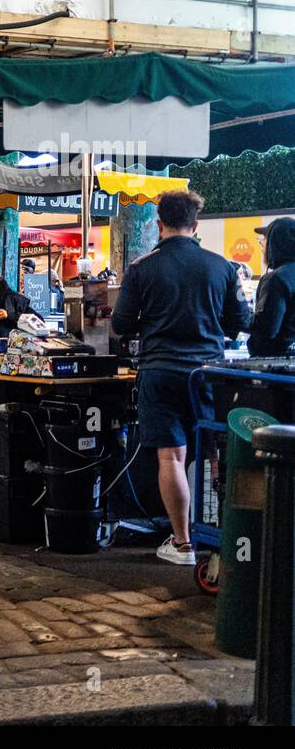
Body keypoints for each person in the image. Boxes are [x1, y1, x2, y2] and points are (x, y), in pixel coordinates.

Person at [112, 189, 251, 566]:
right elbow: (242, 322)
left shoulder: (142, 268)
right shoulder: (221, 266)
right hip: (207, 373)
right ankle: (220, 536)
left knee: (171, 457)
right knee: (210, 455)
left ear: (159, 224)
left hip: (160, 371)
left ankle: (183, 543)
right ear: (195, 224)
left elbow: (120, 325)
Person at [249, 217, 295, 357]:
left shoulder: (276, 279)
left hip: (277, 366)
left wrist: (242, 316)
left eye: (264, 240)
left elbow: (266, 330)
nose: (262, 246)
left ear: (275, 244)